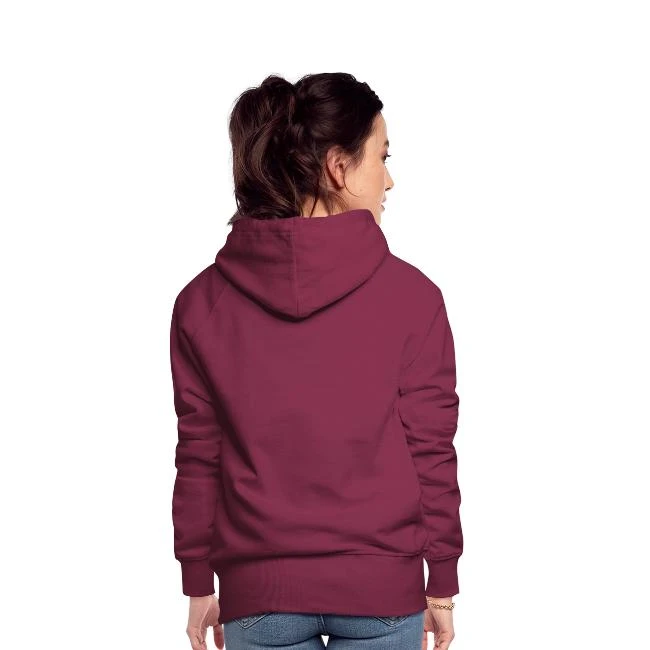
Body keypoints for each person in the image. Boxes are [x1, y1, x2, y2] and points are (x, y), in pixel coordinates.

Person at [170, 72, 463, 650]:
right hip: (382, 591)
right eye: (382, 157)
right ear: (338, 167)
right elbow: (430, 449)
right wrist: (442, 585)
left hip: (260, 596)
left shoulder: (201, 303)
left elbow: (200, 451)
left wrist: (199, 582)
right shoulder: (414, 297)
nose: (389, 179)